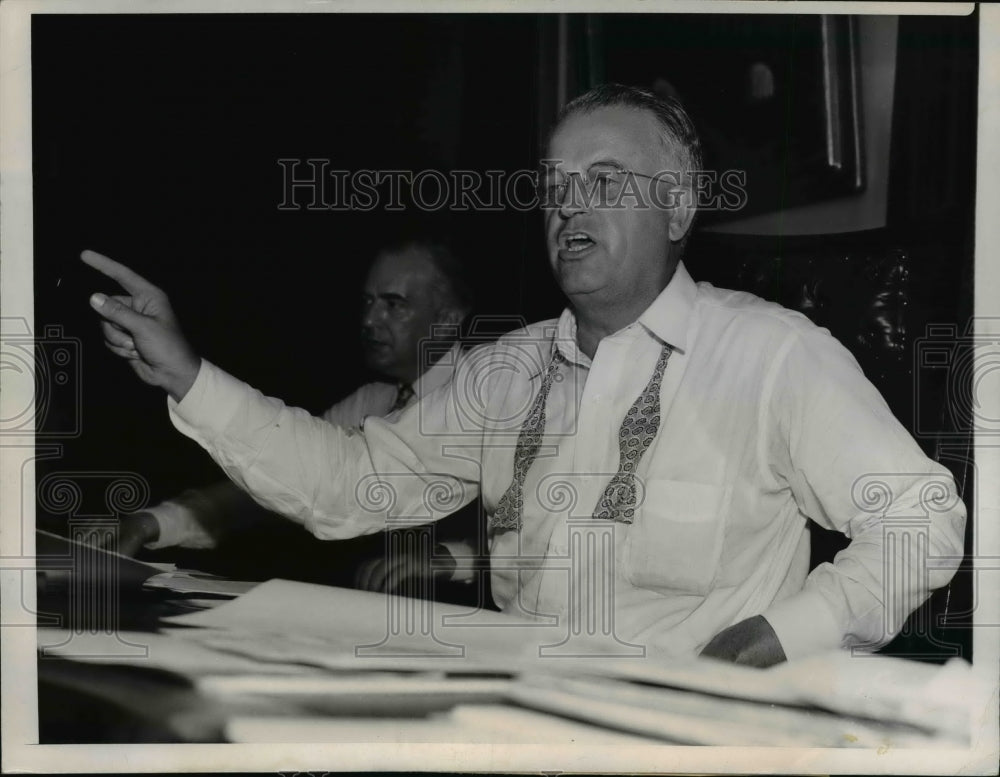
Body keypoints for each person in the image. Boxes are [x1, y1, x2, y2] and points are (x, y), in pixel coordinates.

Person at [83, 84, 965, 667]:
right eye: (555, 184)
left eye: (605, 180)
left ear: (679, 207)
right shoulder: (499, 372)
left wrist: (777, 635)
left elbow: (923, 522)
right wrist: (190, 375)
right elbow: (350, 485)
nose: (569, 204)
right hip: (512, 725)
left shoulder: (774, 357)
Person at [108, 239, 479, 595]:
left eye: (393, 304)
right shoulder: (372, 401)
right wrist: (155, 522)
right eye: (367, 301)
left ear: (447, 318)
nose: (369, 319)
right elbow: (277, 478)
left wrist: (459, 559)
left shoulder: (493, 390)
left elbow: (533, 528)